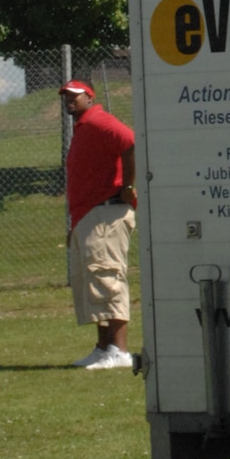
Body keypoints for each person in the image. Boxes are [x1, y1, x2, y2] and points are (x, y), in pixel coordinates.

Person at [60, 81, 138, 370]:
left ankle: (119, 350)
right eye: (65, 96)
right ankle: (103, 347)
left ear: (89, 97)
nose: (68, 100)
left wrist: (128, 185)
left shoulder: (99, 120)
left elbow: (130, 141)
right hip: (89, 216)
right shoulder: (84, 126)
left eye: (74, 95)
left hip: (107, 213)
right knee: (93, 282)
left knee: (108, 279)